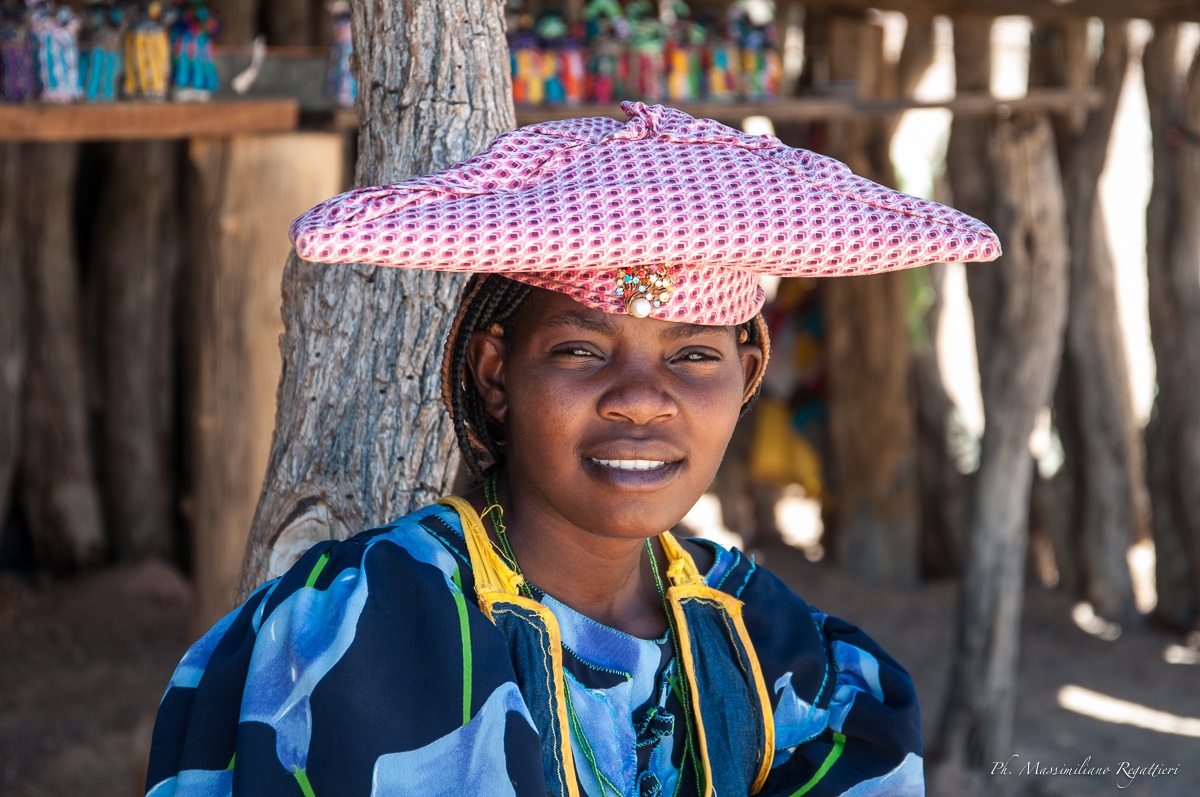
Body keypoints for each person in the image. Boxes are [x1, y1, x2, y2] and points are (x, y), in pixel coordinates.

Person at [145, 102, 999, 797]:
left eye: (693, 354)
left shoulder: (796, 667)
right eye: (581, 351)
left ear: (746, 376)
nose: (639, 396)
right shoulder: (347, 635)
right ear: (493, 374)